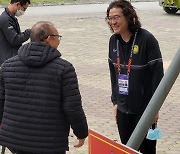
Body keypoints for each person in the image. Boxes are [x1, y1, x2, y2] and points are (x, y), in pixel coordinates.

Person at [0, 21, 88, 154]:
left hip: (15, 140)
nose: (59, 40)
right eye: (58, 37)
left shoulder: (7, 66)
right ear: (48, 39)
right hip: (50, 143)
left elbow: (1, 101)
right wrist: (81, 132)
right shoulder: (64, 69)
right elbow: (72, 106)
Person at [106, 0, 164, 154]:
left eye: (116, 17)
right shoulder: (113, 41)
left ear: (128, 16)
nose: (113, 22)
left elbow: (158, 77)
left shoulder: (147, 40)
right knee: (127, 149)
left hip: (144, 110)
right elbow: (114, 75)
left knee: (147, 150)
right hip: (123, 109)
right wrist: (115, 102)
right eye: (110, 18)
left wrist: (154, 109)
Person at [0, 0, 31, 66]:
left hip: (11, 57)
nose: (24, 12)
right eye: (24, 9)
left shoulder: (11, 18)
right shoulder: (6, 19)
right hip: (7, 60)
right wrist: (28, 33)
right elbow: (15, 40)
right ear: (17, 4)